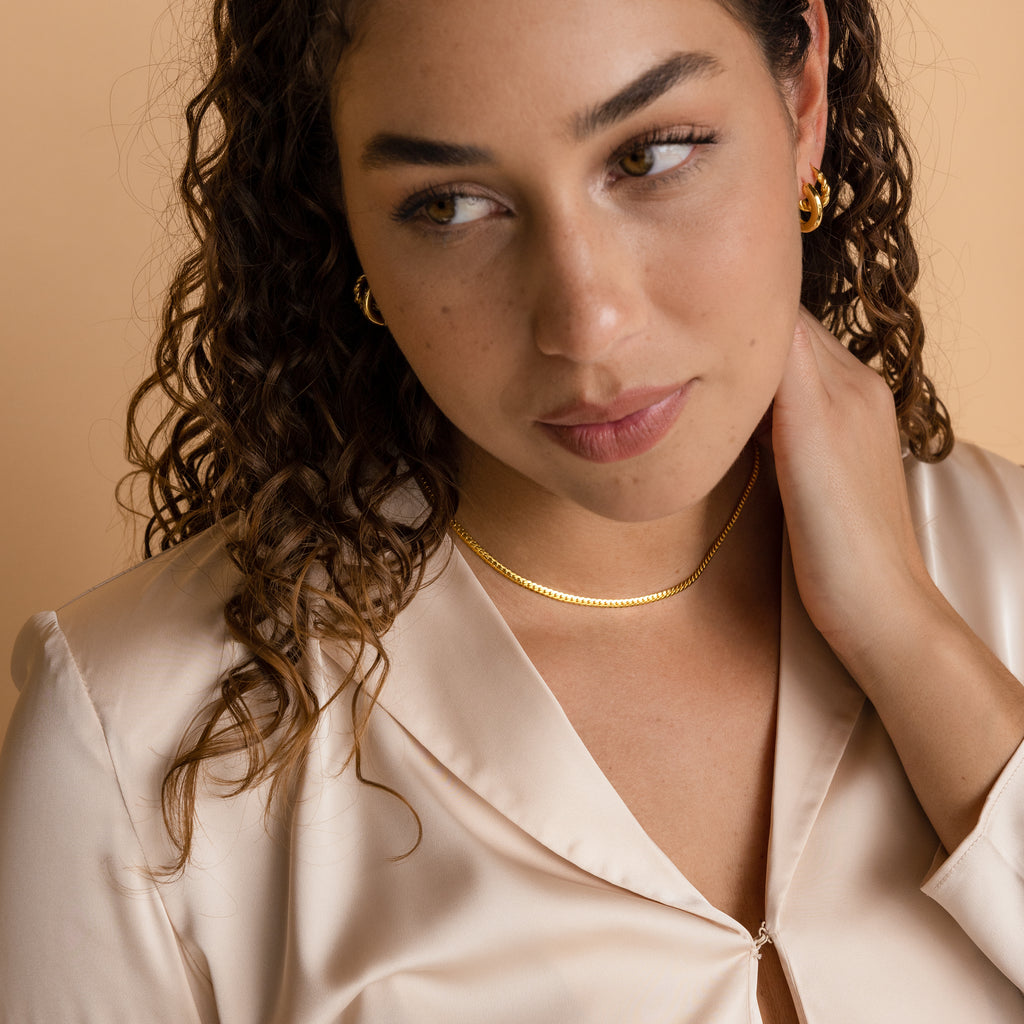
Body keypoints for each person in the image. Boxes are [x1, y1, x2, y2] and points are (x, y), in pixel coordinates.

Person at [1, 0, 1023, 1020]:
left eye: (652, 155)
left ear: (801, 100)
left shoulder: (1005, 557)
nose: (587, 322)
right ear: (344, 214)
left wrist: (907, 632)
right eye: (448, 205)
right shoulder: (135, 739)